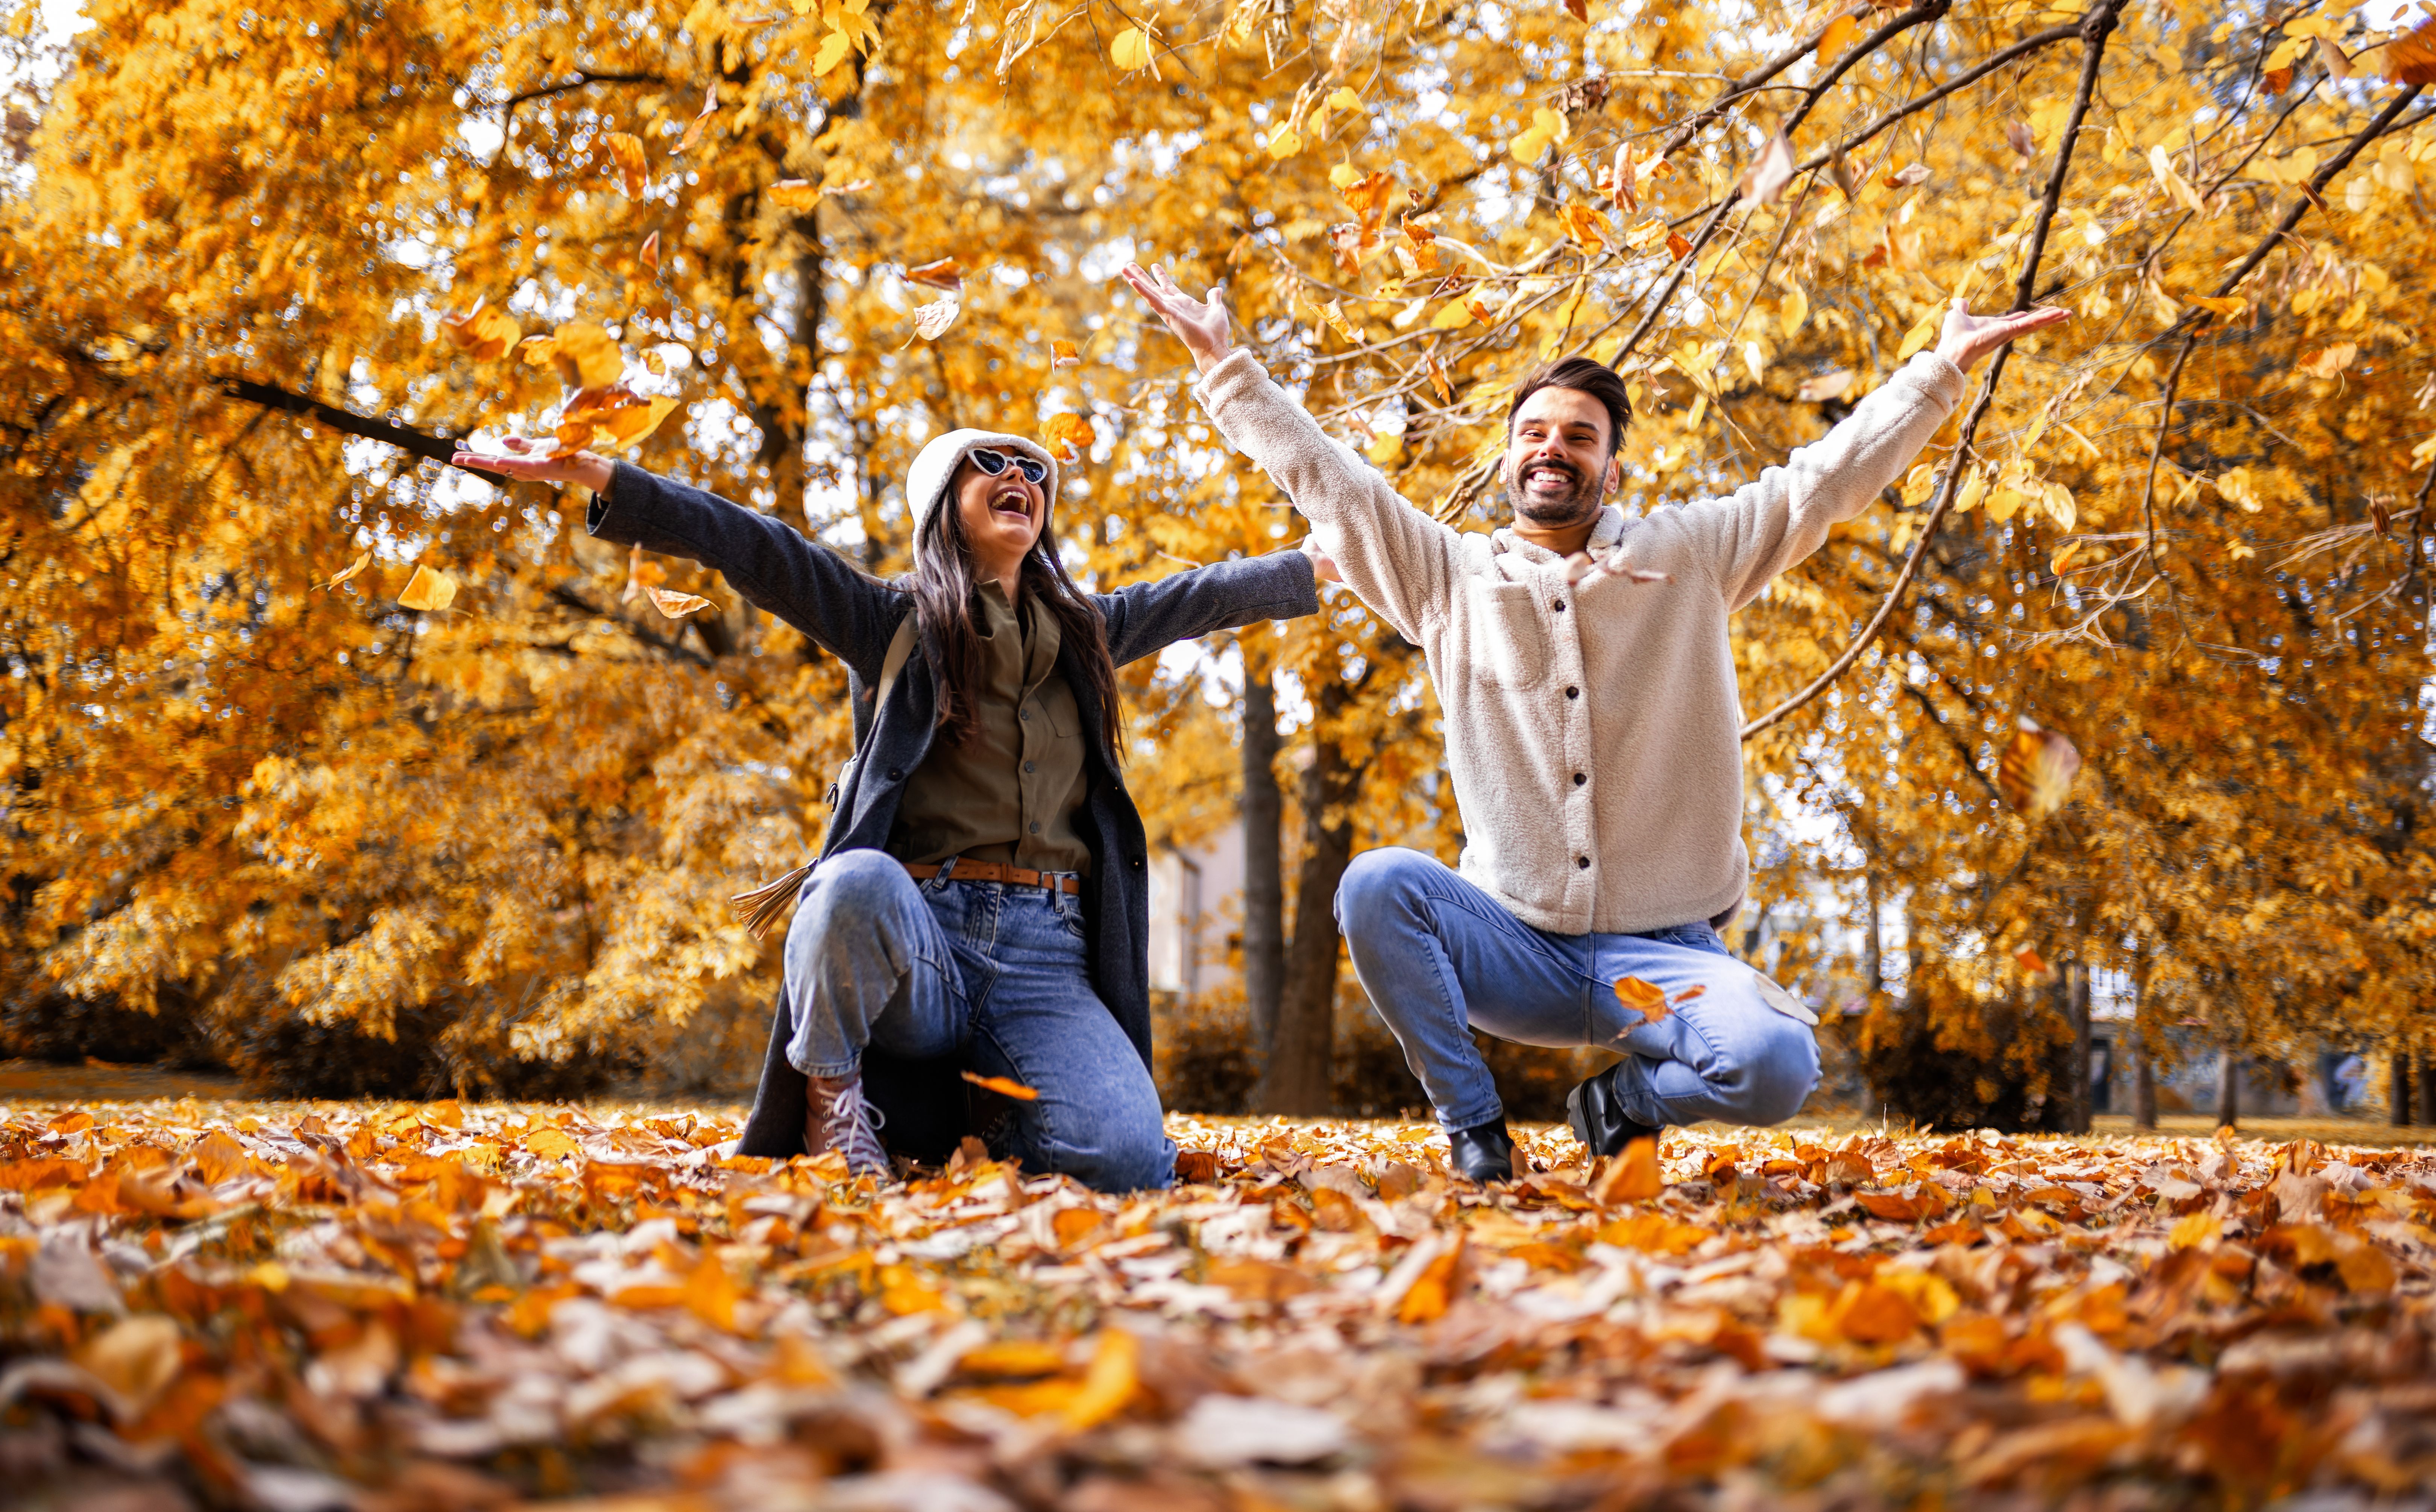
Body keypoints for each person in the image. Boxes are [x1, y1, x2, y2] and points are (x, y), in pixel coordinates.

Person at [1122, 261, 2066, 1182]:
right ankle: (1471, 1122)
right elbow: (1333, 483)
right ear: (1506, 458)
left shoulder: (1691, 555)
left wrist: (1936, 375)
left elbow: (1818, 483)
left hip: (1665, 957)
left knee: (1778, 1064)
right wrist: (1227, 370)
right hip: (1513, 946)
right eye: (1533, 431)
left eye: (1578, 436)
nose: (1552, 448)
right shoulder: (1448, 577)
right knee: (1375, 883)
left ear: (1610, 471)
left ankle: (1619, 1107)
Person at [453, 427, 1321, 1191]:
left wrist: (1326, 563)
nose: (1019, 473)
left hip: (1047, 956)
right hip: (918, 937)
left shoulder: (1088, 633)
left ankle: (989, 1121)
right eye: (990, 462)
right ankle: (832, 1103)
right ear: (944, 500)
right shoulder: (887, 621)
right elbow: (756, 548)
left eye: (1033, 468)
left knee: (1129, 1165)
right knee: (847, 883)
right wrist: (605, 477)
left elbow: (1203, 595)